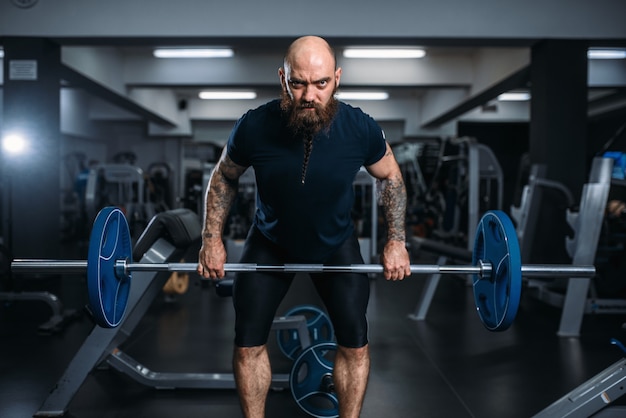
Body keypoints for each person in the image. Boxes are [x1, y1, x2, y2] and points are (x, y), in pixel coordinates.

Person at [197, 35, 411, 418]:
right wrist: (211, 238)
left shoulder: (359, 128)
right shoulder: (254, 126)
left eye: (321, 83)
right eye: (298, 83)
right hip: (270, 241)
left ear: (337, 78)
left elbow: (391, 177)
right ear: (283, 79)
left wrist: (397, 240)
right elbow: (224, 176)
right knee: (248, 343)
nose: (309, 95)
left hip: (336, 245)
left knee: (355, 344)